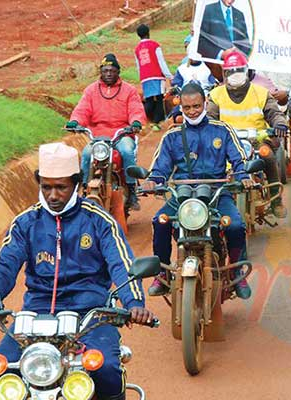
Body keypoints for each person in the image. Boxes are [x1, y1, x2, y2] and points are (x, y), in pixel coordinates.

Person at [0, 143, 154, 400]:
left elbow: (121, 264)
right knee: (3, 371)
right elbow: (3, 265)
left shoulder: (99, 220)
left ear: (76, 183)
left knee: (106, 370)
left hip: (91, 314)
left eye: (61, 187)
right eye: (46, 187)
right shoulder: (26, 223)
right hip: (36, 315)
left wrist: (134, 302)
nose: (53, 195)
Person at [144, 83, 254, 299]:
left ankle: (236, 272)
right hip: (181, 194)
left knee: (235, 226)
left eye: (196, 106)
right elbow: (160, 168)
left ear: (205, 103)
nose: (192, 111)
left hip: (217, 192)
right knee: (160, 221)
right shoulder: (172, 136)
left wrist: (244, 177)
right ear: (181, 108)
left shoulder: (222, 130)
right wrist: (152, 182)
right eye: (187, 107)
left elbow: (239, 161)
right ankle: (163, 274)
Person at [208, 50, 287, 218]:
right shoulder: (216, 95)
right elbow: (210, 118)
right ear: (225, 73)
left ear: (246, 72)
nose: (235, 75)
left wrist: (279, 123)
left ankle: (276, 201)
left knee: (268, 157)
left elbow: (274, 113)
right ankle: (209, 202)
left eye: (238, 71)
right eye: (231, 72)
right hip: (226, 141)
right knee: (210, 162)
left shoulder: (261, 92)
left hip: (256, 139)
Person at [67, 53, 146, 210]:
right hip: (98, 136)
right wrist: (75, 121)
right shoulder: (91, 90)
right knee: (87, 154)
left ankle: (131, 192)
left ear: (118, 72)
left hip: (121, 133)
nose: (109, 74)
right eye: (105, 70)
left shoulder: (129, 90)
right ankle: (83, 189)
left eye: (112, 70)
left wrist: (136, 122)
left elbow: (136, 109)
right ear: (101, 72)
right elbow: (83, 109)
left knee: (127, 151)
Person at [134, 24, 173, 131]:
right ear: (148, 33)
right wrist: (169, 75)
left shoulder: (137, 49)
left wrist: (141, 77)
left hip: (145, 77)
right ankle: (155, 122)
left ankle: (142, 121)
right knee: (159, 98)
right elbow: (161, 61)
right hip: (156, 75)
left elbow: (138, 66)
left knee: (150, 99)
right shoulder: (155, 45)